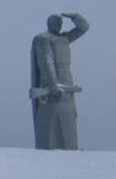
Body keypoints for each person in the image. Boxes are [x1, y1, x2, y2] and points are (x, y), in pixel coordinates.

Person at [30, 12, 89, 150]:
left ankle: (70, 147)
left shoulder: (64, 39)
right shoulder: (43, 39)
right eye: (56, 23)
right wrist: (52, 84)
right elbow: (46, 62)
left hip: (67, 80)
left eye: (60, 23)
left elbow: (84, 27)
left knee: (68, 119)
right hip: (52, 84)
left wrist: (75, 17)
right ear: (49, 24)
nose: (58, 25)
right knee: (51, 119)